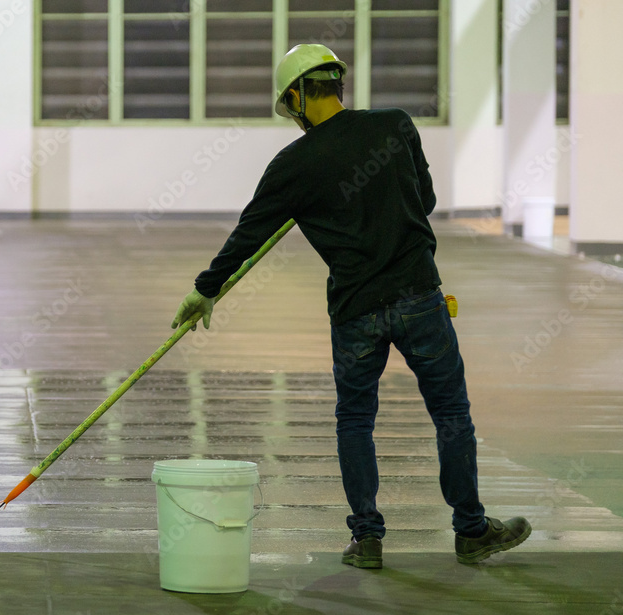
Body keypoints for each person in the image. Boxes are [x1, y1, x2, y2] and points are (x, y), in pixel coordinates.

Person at [170, 44, 531, 568]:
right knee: (451, 415)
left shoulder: (292, 165)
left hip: (355, 311)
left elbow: (247, 234)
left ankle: (367, 539)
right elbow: (423, 202)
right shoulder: (396, 125)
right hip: (418, 297)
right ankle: (471, 531)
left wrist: (206, 289)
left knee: (355, 421)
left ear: (296, 97)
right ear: (335, 82)